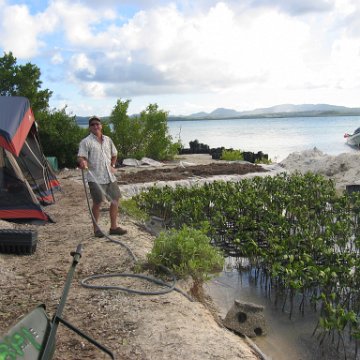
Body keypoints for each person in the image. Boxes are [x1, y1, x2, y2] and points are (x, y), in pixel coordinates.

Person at [77, 116, 127, 237]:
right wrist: (82, 162)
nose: (95, 126)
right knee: (98, 202)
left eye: (97, 124)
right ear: (89, 127)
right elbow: (80, 157)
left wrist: (112, 165)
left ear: (101, 125)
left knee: (115, 200)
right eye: (93, 124)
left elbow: (115, 153)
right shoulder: (86, 142)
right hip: (95, 177)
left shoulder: (108, 140)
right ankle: (96, 230)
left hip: (109, 176)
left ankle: (113, 228)